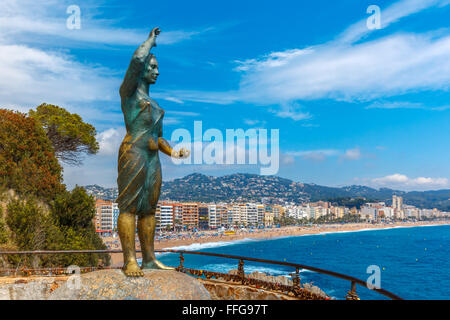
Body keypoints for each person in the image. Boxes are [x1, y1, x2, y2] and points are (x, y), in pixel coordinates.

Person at [116, 27, 189, 277]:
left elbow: (158, 138)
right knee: (128, 208)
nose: (157, 72)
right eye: (153, 67)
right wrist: (150, 42)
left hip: (152, 158)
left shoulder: (156, 106)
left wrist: (174, 152)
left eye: (157, 68)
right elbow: (137, 60)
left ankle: (148, 259)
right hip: (133, 154)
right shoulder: (128, 94)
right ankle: (129, 261)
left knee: (149, 210)